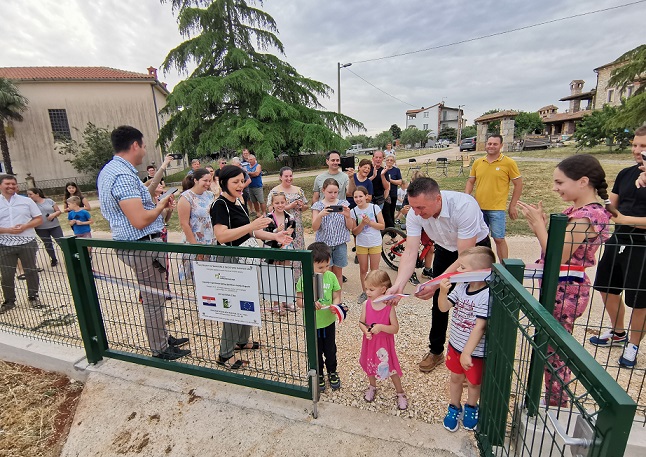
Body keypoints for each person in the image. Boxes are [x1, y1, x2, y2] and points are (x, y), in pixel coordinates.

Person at [518, 154, 612, 405]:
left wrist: (539, 226)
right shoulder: (581, 212)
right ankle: (553, 398)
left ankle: (556, 402)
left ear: (582, 181)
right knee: (550, 345)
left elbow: (558, 254)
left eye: (560, 182)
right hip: (562, 286)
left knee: (554, 350)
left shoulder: (586, 216)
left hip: (566, 290)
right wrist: (546, 225)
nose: (555, 188)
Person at [98, 125, 190, 361]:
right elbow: (139, 219)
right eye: (144, 145)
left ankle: (161, 336)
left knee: (156, 297)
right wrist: (160, 206)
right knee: (153, 299)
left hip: (135, 244)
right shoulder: (123, 175)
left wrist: (158, 197)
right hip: (142, 244)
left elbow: (142, 196)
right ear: (135, 145)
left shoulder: (113, 171)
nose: (144, 150)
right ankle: (159, 348)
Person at [385, 177, 491, 373]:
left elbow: (465, 257)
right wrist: (399, 284)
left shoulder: (464, 206)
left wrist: (434, 282)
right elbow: (410, 252)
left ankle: (477, 359)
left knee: (476, 304)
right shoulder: (415, 212)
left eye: (421, 208)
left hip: (474, 252)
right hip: (445, 249)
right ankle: (436, 351)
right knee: (439, 302)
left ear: (438, 200)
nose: (416, 213)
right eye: (413, 207)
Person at [211, 165, 292, 370]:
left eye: (242, 180)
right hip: (232, 262)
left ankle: (242, 340)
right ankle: (225, 354)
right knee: (233, 307)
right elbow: (221, 236)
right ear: (224, 183)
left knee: (249, 300)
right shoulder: (220, 204)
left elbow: (249, 233)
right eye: (235, 182)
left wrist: (274, 236)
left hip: (247, 258)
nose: (240, 185)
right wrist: (252, 226)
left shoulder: (238, 201)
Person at [591, 126, 646, 369]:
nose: (636, 150)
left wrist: (625, 219)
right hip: (619, 239)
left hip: (643, 245)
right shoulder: (626, 173)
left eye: (642, 146)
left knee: (640, 299)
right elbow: (611, 205)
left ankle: (633, 345)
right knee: (606, 287)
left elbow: (622, 216)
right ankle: (618, 331)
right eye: (635, 145)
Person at [437, 246, 495, 432]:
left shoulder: (486, 295)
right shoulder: (462, 287)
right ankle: (454, 406)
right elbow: (444, 308)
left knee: (473, 382)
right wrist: (442, 292)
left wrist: (467, 353)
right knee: (455, 378)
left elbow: (480, 326)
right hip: (455, 345)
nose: (458, 271)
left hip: (474, 352)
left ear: (479, 272)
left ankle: (471, 407)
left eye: (462, 268)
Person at [464, 134, 522, 259]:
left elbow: (518, 184)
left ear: (501, 146)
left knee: (499, 239)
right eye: (489, 143)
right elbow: (470, 181)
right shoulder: (478, 162)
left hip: (497, 208)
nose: (491, 146)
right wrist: (466, 198)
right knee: (479, 240)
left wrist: (512, 205)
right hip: (478, 208)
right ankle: (481, 267)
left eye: (495, 144)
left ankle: (504, 269)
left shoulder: (508, 163)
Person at [295, 242, 342, 391]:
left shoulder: (331, 277)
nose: (324, 270)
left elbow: (337, 296)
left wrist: (335, 305)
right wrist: (310, 303)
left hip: (328, 321)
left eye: (327, 266)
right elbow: (299, 301)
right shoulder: (304, 279)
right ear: (310, 264)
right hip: (313, 323)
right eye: (320, 267)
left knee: (330, 349)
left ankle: (332, 371)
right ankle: (319, 373)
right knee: (315, 350)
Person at [359, 270, 407, 410]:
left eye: (371, 289)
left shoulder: (388, 307)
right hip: (370, 343)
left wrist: (381, 327)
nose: (367, 292)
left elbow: (395, 328)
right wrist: (366, 331)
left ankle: (400, 393)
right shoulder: (366, 304)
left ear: (383, 289)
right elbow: (361, 322)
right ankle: (372, 386)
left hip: (384, 345)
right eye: (366, 288)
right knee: (370, 366)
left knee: (391, 368)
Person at [0, 174, 44, 313]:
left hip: (27, 242)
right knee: (7, 274)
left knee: (31, 271)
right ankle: (9, 301)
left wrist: (25, 227)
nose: (11, 186)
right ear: (1, 185)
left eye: (13, 184)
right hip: (4, 244)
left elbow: (38, 219)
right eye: (7, 184)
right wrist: (7, 230)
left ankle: (33, 296)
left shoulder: (27, 201)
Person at [311, 178, 355, 287]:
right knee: (326, 272)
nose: (333, 195)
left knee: (338, 273)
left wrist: (348, 216)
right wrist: (320, 215)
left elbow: (350, 227)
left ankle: (337, 297)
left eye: (336, 192)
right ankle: (326, 296)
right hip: (324, 245)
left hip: (340, 244)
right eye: (330, 192)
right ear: (323, 190)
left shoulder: (343, 204)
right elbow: (314, 227)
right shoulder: (318, 206)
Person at [266, 167, 308, 277]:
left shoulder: (299, 190)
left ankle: (297, 278)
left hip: (296, 226)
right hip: (280, 226)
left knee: (297, 250)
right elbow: (271, 210)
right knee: (282, 253)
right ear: (280, 177)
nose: (289, 178)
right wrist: (289, 206)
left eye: (290, 176)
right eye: (286, 176)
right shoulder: (274, 191)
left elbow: (306, 206)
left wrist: (301, 206)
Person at [264, 191, 296, 315]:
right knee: (275, 275)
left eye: (282, 202)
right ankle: (276, 303)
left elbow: (293, 233)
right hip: (273, 249)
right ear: (272, 204)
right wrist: (278, 230)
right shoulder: (269, 218)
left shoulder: (290, 217)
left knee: (285, 274)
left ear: (286, 202)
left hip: (286, 247)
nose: (280, 205)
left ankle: (286, 301)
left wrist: (287, 233)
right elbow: (266, 234)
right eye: (277, 203)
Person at [351, 186, 385, 303]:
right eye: (355, 197)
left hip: (375, 242)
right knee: (363, 269)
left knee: (374, 270)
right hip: (361, 244)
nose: (358, 199)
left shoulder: (375, 208)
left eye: (360, 196)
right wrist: (362, 225)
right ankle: (365, 292)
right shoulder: (353, 211)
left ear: (366, 196)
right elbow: (354, 231)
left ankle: (375, 292)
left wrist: (369, 222)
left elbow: (382, 225)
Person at [177, 168, 215, 246]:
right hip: (194, 242)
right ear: (195, 180)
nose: (208, 183)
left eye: (209, 181)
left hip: (210, 241)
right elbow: (184, 224)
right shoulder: (186, 197)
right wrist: (195, 247)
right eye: (205, 180)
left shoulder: (210, 195)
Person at [27, 188, 63, 267]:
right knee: (47, 244)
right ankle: (53, 259)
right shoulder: (30, 204)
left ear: (37, 194)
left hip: (54, 226)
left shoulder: (49, 201)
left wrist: (53, 215)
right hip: (40, 228)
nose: (29, 196)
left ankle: (68, 257)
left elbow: (58, 211)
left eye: (30, 194)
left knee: (61, 241)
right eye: (28, 195)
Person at [383, 155, 402, 228]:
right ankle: (386, 226)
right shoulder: (383, 170)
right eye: (388, 160)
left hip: (393, 193)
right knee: (385, 212)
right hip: (384, 194)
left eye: (391, 160)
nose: (389, 161)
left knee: (391, 211)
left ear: (394, 162)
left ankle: (391, 227)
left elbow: (400, 182)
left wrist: (390, 180)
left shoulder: (396, 170)